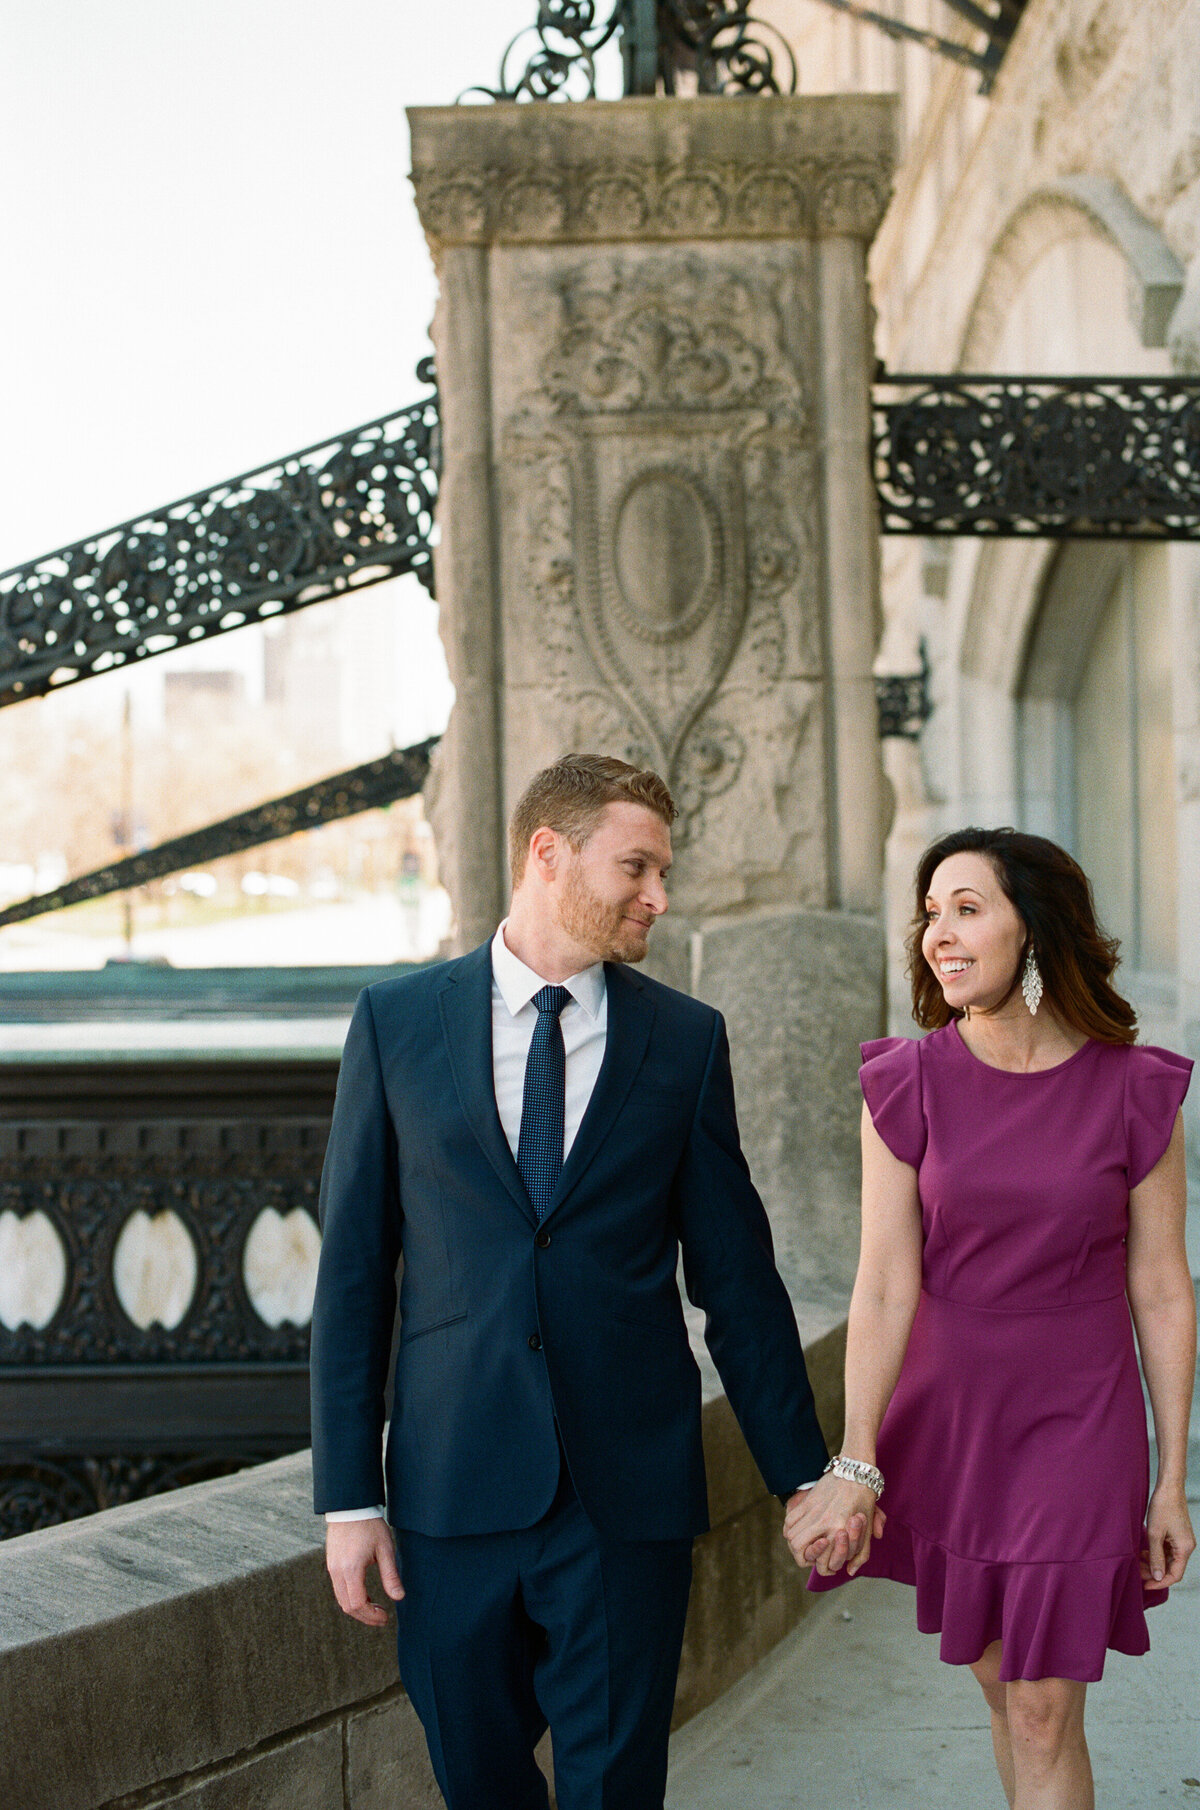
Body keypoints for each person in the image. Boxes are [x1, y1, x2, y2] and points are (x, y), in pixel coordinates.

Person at [309, 752, 830, 1810]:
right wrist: (348, 1496)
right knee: (477, 1781)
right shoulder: (398, 1023)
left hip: (623, 1498)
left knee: (614, 1791)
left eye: (663, 871)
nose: (659, 895)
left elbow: (736, 1282)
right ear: (548, 853)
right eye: (636, 866)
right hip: (451, 1496)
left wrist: (803, 1473)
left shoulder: (683, 1042)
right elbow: (356, 1273)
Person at [783, 826, 1196, 1810]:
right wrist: (855, 1460)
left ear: (1035, 927)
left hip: (1078, 1422)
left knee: (1046, 1709)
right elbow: (884, 1281)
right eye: (931, 913)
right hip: (953, 1428)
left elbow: (1163, 1286)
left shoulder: (1138, 1091)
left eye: (968, 908)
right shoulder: (906, 1082)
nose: (940, 934)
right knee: (1008, 1695)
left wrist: (1174, 1476)